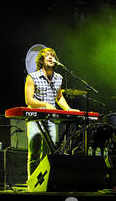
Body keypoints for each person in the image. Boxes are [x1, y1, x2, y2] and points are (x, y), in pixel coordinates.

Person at [24, 47, 77, 177]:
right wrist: (45, 104)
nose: (50, 56)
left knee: (50, 153)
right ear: (41, 61)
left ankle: (46, 182)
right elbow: (28, 100)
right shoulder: (32, 77)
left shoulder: (58, 77)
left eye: (52, 55)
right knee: (35, 154)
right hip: (35, 120)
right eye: (47, 55)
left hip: (51, 120)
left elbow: (59, 97)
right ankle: (32, 183)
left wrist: (68, 109)